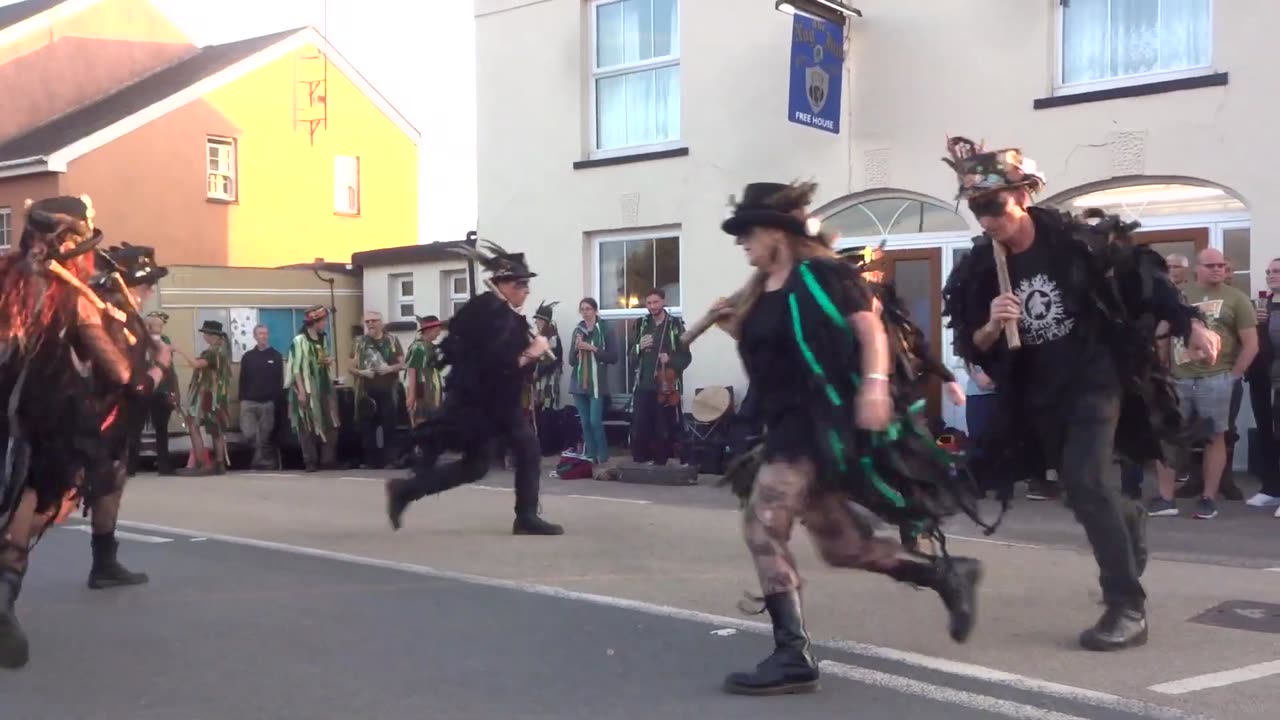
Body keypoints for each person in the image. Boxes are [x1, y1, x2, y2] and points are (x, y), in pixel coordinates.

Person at [705, 181, 984, 696]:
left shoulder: (825, 274)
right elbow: (776, 352)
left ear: (777, 232)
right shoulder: (765, 287)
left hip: (819, 425)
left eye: (748, 233)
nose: (741, 242)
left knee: (762, 524)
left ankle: (792, 654)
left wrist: (875, 386)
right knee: (843, 547)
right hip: (786, 423)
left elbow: (869, 330)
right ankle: (945, 575)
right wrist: (731, 324)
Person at [941, 136, 1219, 651]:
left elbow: (1148, 278)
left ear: (1022, 196)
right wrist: (990, 325)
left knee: (1086, 479)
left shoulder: (1073, 242)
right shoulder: (983, 265)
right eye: (977, 210)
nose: (987, 221)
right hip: (1038, 392)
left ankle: (1126, 606)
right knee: (1080, 488)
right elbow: (972, 344)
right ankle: (1129, 516)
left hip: (1095, 380)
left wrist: (1191, 325)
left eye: (994, 207)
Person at [0, 196, 171, 669]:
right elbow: (121, 374)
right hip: (40, 415)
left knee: (25, 498)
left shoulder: (8, 277)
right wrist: (157, 367)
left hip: (15, 409)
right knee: (34, 496)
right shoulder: (72, 299)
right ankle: (3, 601)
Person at [384, 240, 563, 536]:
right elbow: (497, 362)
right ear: (502, 283)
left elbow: (512, 365)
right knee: (518, 453)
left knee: (482, 464)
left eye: (526, 284)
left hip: (497, 402)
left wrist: (533, 355)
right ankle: (525, 517)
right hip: (481, 404)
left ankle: (405, 490)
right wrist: (532, 351)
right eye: (520, 284)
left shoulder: (505, 314)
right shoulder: (489, 312)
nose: (526, 290)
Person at [83, 243, 171, 589]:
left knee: (110, 487)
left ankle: (104, 563)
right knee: (46, 501)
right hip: (99, 419)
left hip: (112, 421)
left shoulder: (122, 316)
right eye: (146, 283)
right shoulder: (114, 317)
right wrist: (162, 364)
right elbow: (131, 383)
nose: (151, 290)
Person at [628, 288, 691, 465]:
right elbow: (630, 357)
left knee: (663, 428)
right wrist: (639, 346)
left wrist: (670, 359)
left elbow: (686, 356)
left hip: (666, 386)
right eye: (648, 303)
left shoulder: (675, 325)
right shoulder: (641, 324)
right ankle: (641, 463)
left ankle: (662, 464)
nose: (652, 306)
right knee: (641, 425)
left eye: (655, 302)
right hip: (643, 384)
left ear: (663, 301)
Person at [286, 305, 340, 472]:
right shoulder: (299, 341)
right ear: (314, 322)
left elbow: (320, 359)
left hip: (324, 384)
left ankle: (328, 459)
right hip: (307, 386)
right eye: (322, 321)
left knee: (331, 420)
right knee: (307, 423)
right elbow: (296, 368)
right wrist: (302, 391)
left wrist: (327, 361)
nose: (325, 324)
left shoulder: (323, 338)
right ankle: (310, 460)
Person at [350, 311, 406, 469]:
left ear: (382, 322)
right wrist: (362, 372)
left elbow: (402, 364)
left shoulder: (392, 340)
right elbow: (350, 367)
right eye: (367, 322)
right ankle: (371, 461)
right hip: (367, 391)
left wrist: (389, 368)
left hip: (388, 390)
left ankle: (390, 460)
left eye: (374, 321)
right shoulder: (359, 342)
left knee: (389, 425)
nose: (370, 324)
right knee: (367, 427)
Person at [126, 310, 179, 475]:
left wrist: (173, 390)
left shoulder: (166, 341)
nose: (159, 327)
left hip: (161, 391)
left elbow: (170, 369)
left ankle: (164, 466)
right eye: (156, 324)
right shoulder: (139, 341)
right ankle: (130, 466)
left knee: (161, 429)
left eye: (160, 325)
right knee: (135, 428)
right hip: (143, 389)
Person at [178, 321, 232, 475]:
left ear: (212, 336)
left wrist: (180, 351)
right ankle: (219, 463)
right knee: (215, 429)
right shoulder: (221, 352)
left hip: (207, 395)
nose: (205, 336)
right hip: (215, 395)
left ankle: (202, 464)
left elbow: (196, 364)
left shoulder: (212, 353)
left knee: (194, 425)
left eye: (206, 334)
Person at [568, 298, 618, 465]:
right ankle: (590, 456)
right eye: (582, 309)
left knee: (595, 421)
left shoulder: (605, 329)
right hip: (578, 382)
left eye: (588, 309)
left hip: (597, 383)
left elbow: (613, 357)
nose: (585, 312)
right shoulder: (578, 330)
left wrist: (594, 349)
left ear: (595, 311)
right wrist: (576, 348)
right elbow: (571, 361)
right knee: (584, 422)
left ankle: (602, 457)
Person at [404, 315, 445, 427]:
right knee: (422, 423)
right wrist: (412, 396)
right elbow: (412, 370)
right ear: (428, 330)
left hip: (433, 393)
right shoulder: (419, 347)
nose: (439, 333)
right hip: (422, 392)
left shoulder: (432, 347)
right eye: (437, 330)